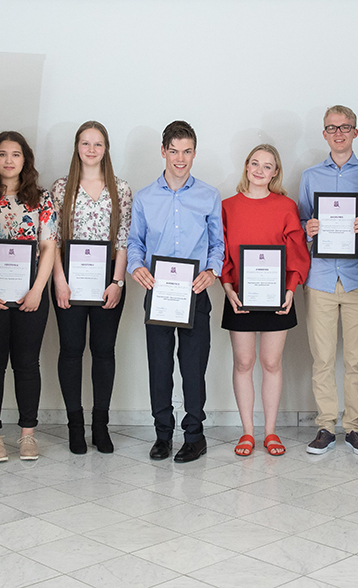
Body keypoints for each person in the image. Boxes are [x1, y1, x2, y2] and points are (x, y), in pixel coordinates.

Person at [127, 120, 224, 463]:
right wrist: (136, 266)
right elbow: (134, 243)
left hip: (195, 293)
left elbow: (217, 244)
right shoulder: (144, 197)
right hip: (159, 293)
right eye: (174, 151)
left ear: (194, 153)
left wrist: (212, 271)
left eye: (187, 151)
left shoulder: (209, 195)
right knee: (159, 365)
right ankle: (163, 435)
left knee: (193, 367)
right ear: (163, 152)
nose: (180, 158)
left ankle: (195, 436)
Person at [220, 144, 309, 457]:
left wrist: (290, 289)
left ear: (276, 172)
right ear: (246, 166)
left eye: (267, 166)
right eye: (254, 163)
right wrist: (227, 287)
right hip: (239, 295)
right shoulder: (227, 206)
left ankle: (270, 432)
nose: (260, 170)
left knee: (272, 362)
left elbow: (297, 250)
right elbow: (221, 252)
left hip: (278, 295)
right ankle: (247, 432)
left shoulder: (286, 206)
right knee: (243, 362)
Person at [50, 121, 133, 454]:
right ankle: (75, 426)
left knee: (103, 352)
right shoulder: (60, 188)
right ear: (77, 147)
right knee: (70, 351)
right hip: (69, 281)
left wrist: (118, 281)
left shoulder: (121, 189)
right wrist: (59, 280)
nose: (91, 150)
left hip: (107, 282)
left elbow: (125, 239)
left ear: (106, 149)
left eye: (98, 144)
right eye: (85, 143)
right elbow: (52, 240)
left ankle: (101, 426)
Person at [297, 105, 358, 456]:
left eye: (346, 127)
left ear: (355, 132)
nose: (339, 133)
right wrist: (308, 228)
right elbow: (298, 222)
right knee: (323, 359)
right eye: (332, 127)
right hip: (322, 278)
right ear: (324, 133)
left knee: (357, 360)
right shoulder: (310, 176)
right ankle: (326, 426)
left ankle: (355, 428)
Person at [0, 131, 57, 462]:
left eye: (15, 154)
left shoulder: (41, 198)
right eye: (1, 154)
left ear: (25, 160)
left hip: (31, 296)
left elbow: (49, 245)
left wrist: (38, 289)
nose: (8, 160)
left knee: (27, 364)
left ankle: (27, 434)